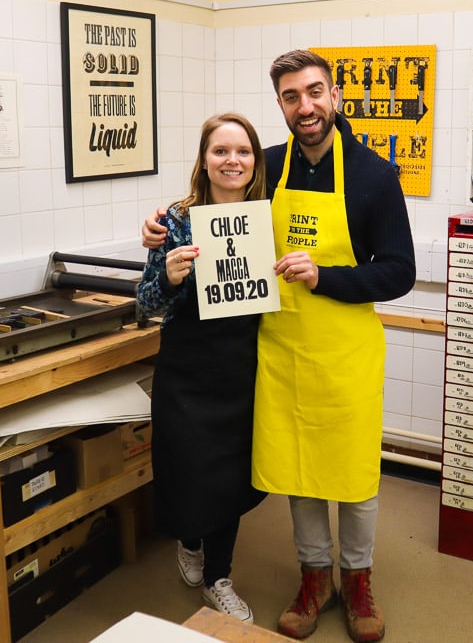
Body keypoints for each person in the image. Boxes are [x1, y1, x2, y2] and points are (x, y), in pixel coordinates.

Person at [143, 50, 416, 642]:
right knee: (297, 469)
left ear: (335, 95)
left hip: (345, 352)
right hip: (279, 349)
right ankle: (315, 576)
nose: (306, 106)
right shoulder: (269, 167)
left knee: (353, 473)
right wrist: (163, 223)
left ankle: (359, 579)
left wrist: (327, 276)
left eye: (314, 92)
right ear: (281, 106)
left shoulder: (373, 175)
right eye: (292, 97)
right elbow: (219, 200)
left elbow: (399, 273)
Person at [135, 112, 269, 624]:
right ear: (204, 159)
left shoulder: (266, 216)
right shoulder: (174, 220)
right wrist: (167, 278)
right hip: (187, 370)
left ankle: (218, 578)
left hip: (241, 368)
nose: (232, 160)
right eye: (220, 151)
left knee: (230, 480)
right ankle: (189, 541)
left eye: (243, 151)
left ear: (255, 160)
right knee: (189, 470)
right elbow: (145, 304)